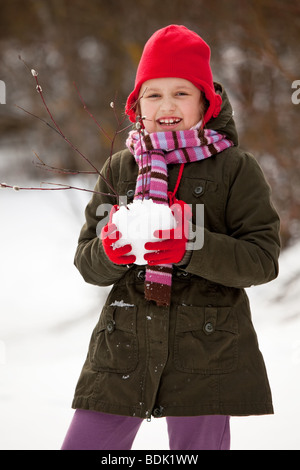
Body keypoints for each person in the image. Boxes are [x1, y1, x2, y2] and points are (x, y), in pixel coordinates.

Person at [61, 24, 280, 450]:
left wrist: (190, 245)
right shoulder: (121, 168)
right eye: (153, 94)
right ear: (137, 106)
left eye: (181, 92)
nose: (167, 105)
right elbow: (87, 262)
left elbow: (262, 260)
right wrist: (110, 250)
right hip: (122, 349)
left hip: (207, 350)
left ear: (206, 101)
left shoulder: (236, 169)